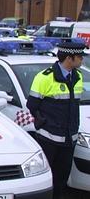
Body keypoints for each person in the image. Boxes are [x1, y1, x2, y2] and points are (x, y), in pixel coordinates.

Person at [27, 41, 85, 198]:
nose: (82, 60)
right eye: (80, 57)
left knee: (62, 180)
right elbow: (32, 105)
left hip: (69, 139)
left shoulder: (78, 77)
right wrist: (45, 123)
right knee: (48, 180)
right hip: (49, 139)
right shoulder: (44, 77)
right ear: (69, 58)